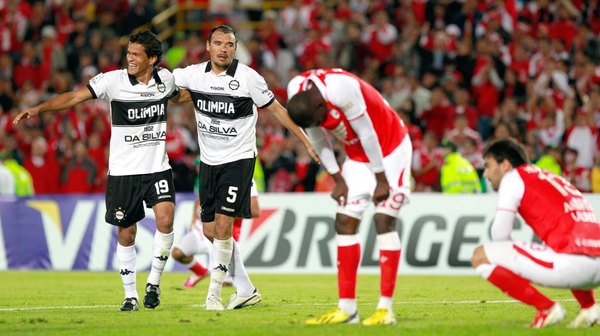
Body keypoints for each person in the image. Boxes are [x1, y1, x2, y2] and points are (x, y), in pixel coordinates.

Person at [13, 31, 179, 312]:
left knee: (166, 218)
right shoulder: (112, 81)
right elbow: (75, 96)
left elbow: (180, 96)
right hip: (123, 171)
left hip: (156, 168)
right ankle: (130, 296)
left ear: (152, 58)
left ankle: (153, 282)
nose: (130, 58)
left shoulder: (167, 80)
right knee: (126, 234)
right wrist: (40, 108)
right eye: (128, 53)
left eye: (136, 54)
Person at [172, 25, 319, 311]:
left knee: (225, 226)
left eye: (229, 44)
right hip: (209, 162)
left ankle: (213, 295)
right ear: (208, 46)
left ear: (235, 48)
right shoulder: (192, 74)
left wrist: (306, 140)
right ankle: (246, 289)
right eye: (218, 43)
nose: (223, 49)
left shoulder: (248, 78)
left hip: (238, 161)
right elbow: (167, 84)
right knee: (211, 231)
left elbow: (277, 110)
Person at [286, 68, 412, 326]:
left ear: (321, 104)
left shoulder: (341, 89)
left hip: (390, 149)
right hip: (357, 156)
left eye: (320, 119)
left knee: (383, 220)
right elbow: (318, 140)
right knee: (344, 222)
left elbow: (368, 134)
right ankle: (347, 310)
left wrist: (381, 180)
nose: (321, 126)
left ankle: (385, 309)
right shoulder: (298, 94)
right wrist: (337, 179)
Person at [471, 138, 600, 328]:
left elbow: (499, 235)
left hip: (574, 266)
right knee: (561, 244)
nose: (487, 174)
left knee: (481, 256)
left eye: (488, 166)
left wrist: (512, 268)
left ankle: (547, 309)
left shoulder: (513, 178)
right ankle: (589, 307)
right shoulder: (548, 176)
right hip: (594, 265)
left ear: (505, 164)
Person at [171, 156, 261, 289]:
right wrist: (194, 220)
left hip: (227, 234)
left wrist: (225, 212)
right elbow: (199, 200)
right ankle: (202, 272)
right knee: (177, 253)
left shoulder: (243, 176)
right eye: (198, 165)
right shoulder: (203, 178)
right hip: (205, 228)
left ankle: (242, 290)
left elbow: (255, 210)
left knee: (224, 281)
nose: (198, 168)